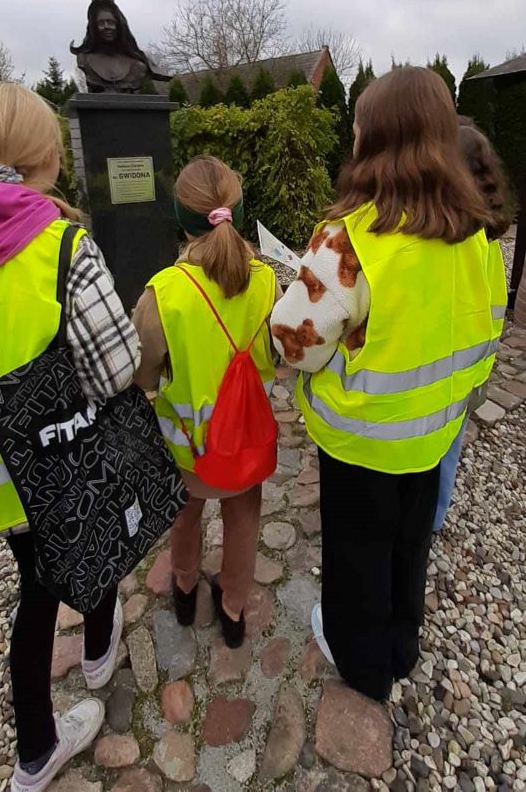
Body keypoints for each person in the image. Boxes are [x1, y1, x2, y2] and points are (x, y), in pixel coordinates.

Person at [0, 82, 141, 792]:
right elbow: (117, 366)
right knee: (78, 555)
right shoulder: (62, 243)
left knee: (39, 576)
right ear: (47, 155)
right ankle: (40, 744)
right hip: (56, 457)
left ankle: (89, 663)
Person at [271, 68, 507, 700]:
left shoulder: (351, 238)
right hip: (435, 430)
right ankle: (402, 646)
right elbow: (489, 325)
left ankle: (363, 665)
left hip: (362, 440)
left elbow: (293, 341)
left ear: (375, 136)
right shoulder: (474, 230)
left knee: (357, 554)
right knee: (409, 543)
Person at [133, 155, 280, 647]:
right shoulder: (266, 281)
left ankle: (183, 585)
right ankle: (233, 609)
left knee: (184, 513)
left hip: (187, 448)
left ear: (181, 216)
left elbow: (143, 371)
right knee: (244, 517)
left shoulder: (164, 293)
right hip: (247, 441)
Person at [433, 117, 513, 530]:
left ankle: (428, 516)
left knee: (437, 451)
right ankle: (437, 513)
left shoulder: (458, 242)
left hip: (445, 374)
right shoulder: (487, 236)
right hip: (473, 370)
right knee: (451, 447)